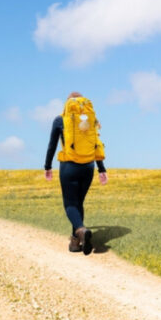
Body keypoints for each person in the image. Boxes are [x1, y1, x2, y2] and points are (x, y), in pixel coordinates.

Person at [44, 92, 108, 254]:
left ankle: (80, 230)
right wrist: (101, 168)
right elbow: (96, 144)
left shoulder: (60, 120)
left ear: (67, 105)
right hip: (88, 166)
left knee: (70, 204)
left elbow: (52, 145)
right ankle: (75, 243)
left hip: (69, 166)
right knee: (78, 203)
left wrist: (47, 166)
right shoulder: (91, 119)